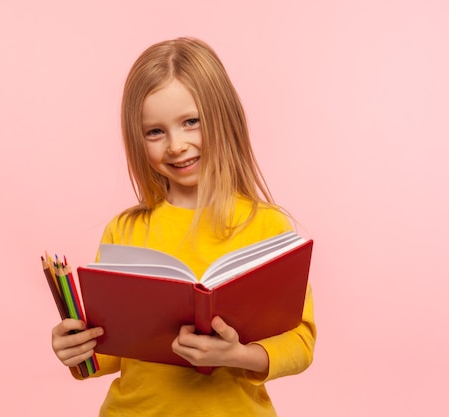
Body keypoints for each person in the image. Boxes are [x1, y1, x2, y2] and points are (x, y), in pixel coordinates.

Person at [51, 37, 316, 416]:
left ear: (223, 118)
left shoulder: (267, 226)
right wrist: (77, 349)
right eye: (155, 132)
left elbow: (301, 342)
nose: (176, 145)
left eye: (191, 122)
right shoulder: (123, 231)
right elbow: (112, 353)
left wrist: (241, 355)